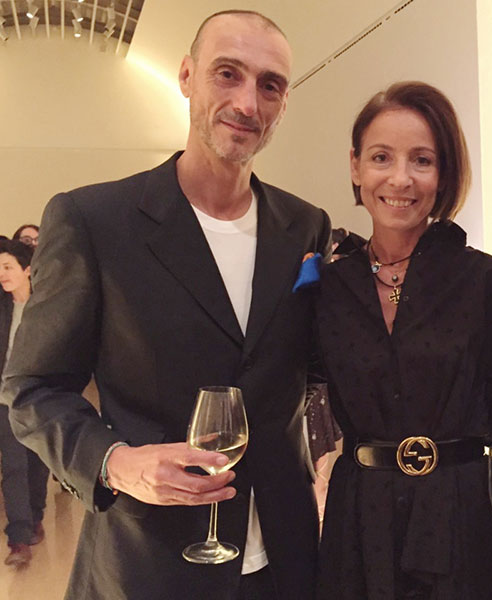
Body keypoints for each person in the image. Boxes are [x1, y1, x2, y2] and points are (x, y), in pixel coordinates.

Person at [2, 10, 329, 600]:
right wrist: (115, 462)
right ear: (186, 76)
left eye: (270, 85)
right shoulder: (94, 221)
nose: (247, 103)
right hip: (149, 558)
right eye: (227, 74)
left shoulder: (304, 225)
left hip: (285, 556)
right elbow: (32, 388)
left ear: (284, 103)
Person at [314, 81, 492, 600]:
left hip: (464, 520)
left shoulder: (485, 281)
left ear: (444, 173)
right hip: (359, 524)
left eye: (422, 160)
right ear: (355, 167)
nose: (400, 179)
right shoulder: (327, 289)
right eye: (381, 157)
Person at [0, 240, 49, 569]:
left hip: (41, 397)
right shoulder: (2, 306)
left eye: (8, 267)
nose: (2, 274)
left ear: (27, 269)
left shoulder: (45, 305)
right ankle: (18, 537)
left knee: (38, 461)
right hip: (5, 398)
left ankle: (35, 516)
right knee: (14, 464)